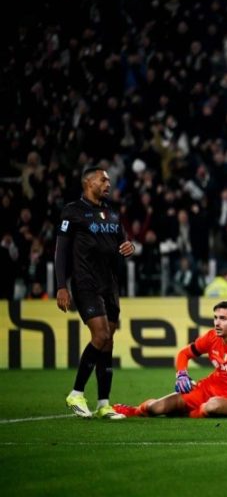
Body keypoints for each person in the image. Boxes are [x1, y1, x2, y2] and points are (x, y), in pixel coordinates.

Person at [55, 166, 136, 419]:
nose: (108, 184)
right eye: (104, 180)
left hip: (109, 285)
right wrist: (60, 285)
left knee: (108, 341)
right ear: (88, 182)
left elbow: (121, 244)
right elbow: (61, 251)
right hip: (85, 284)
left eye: (109, 180)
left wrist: (129, 246)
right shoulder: (73, 212)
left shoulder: (111, 214)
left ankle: (103, 404)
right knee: (100, 335)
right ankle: (76, 393)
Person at [114, 301, 227, 419]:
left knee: (212, 407)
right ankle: (134, 411)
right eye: (215, 317)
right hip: (207, 389)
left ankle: (189, 413)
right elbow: (183, 354)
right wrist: (181, 374)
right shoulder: (211, 337)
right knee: (156, 408)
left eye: (223, 318)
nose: (217, 322)